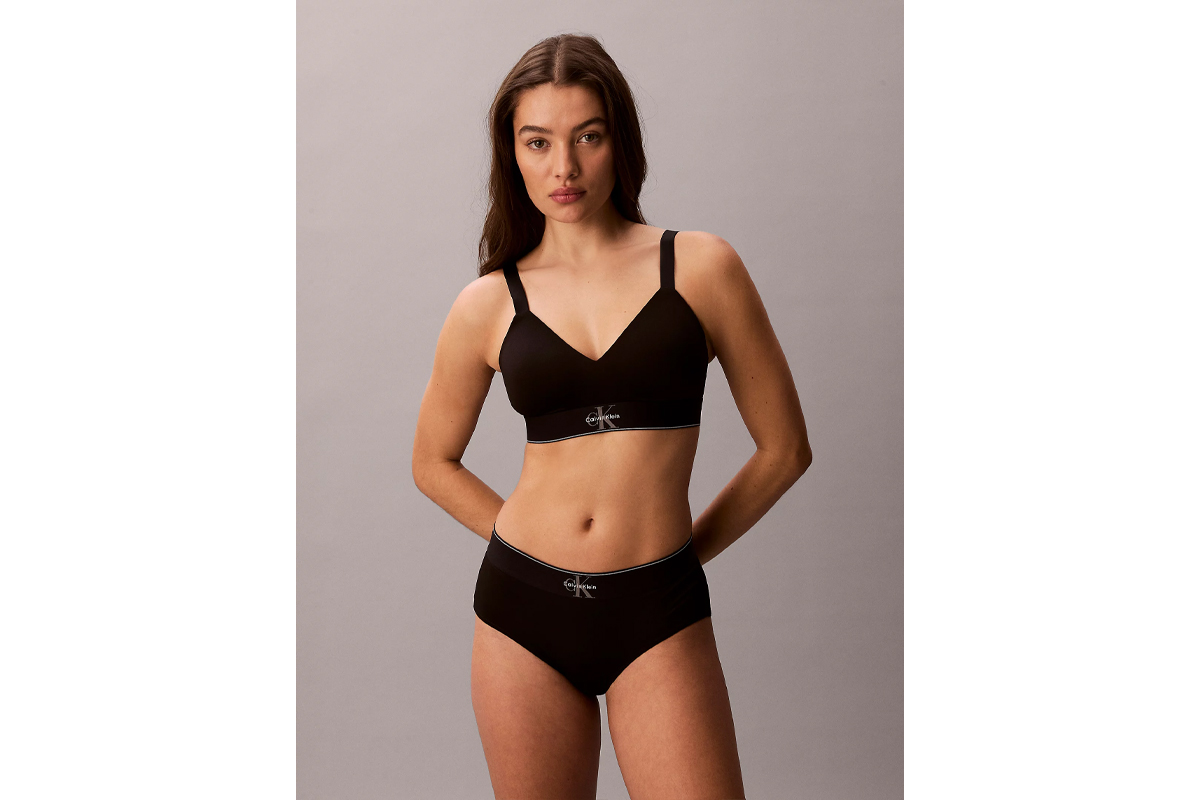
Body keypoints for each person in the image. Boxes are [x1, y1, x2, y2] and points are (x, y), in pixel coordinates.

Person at [412, 33, 811, 800]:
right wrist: (528, 555)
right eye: (538, 142)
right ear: (512, 153)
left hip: (656, 607)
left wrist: (678, 558)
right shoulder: (487, 303)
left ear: (619, 141)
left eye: (587, 137)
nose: (563, 167)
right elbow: (431, 461)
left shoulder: (701, 267)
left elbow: (785, 450)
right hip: (523, 613)